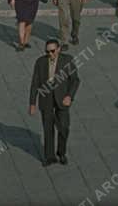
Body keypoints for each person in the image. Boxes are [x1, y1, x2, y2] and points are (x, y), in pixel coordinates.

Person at [28, 39, 80, 167]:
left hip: (62, 99)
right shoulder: (40, 62)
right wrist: (32, 103)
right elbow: (35, 83)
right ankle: (49, 156)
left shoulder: (67, 61)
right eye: (47, 51)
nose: (50, 54)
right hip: (46, 99)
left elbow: (75, 80)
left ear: (58, 49)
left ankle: (61, 152)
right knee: (48, 128)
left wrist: (69, 96)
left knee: (64, 127)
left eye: (52, 51)